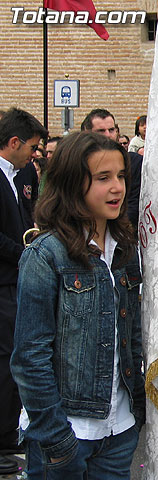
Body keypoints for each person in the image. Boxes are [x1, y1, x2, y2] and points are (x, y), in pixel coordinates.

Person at [11, 132, 144, 479]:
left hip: (118, 429)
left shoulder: (124, 249)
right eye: (103, 178)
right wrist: (57, 438)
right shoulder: (45, 255)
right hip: (68, 432)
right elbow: (30, 357)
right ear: (72, 184)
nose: (117, 187)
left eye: (120, 177)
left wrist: (136, 412)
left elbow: (133, 333)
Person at [0, 108, 47, 475]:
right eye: (31, 147)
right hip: (4, 280)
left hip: (14, 279)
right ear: (13, 143)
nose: (34, 154)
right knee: (5, 360)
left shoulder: (20, 175)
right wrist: (24, 253)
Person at [82, 109, 143, 229]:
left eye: (111, 130)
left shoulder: (134, 162)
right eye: (101, 131)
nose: (107, 135)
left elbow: (134, 203)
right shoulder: (79, 163)